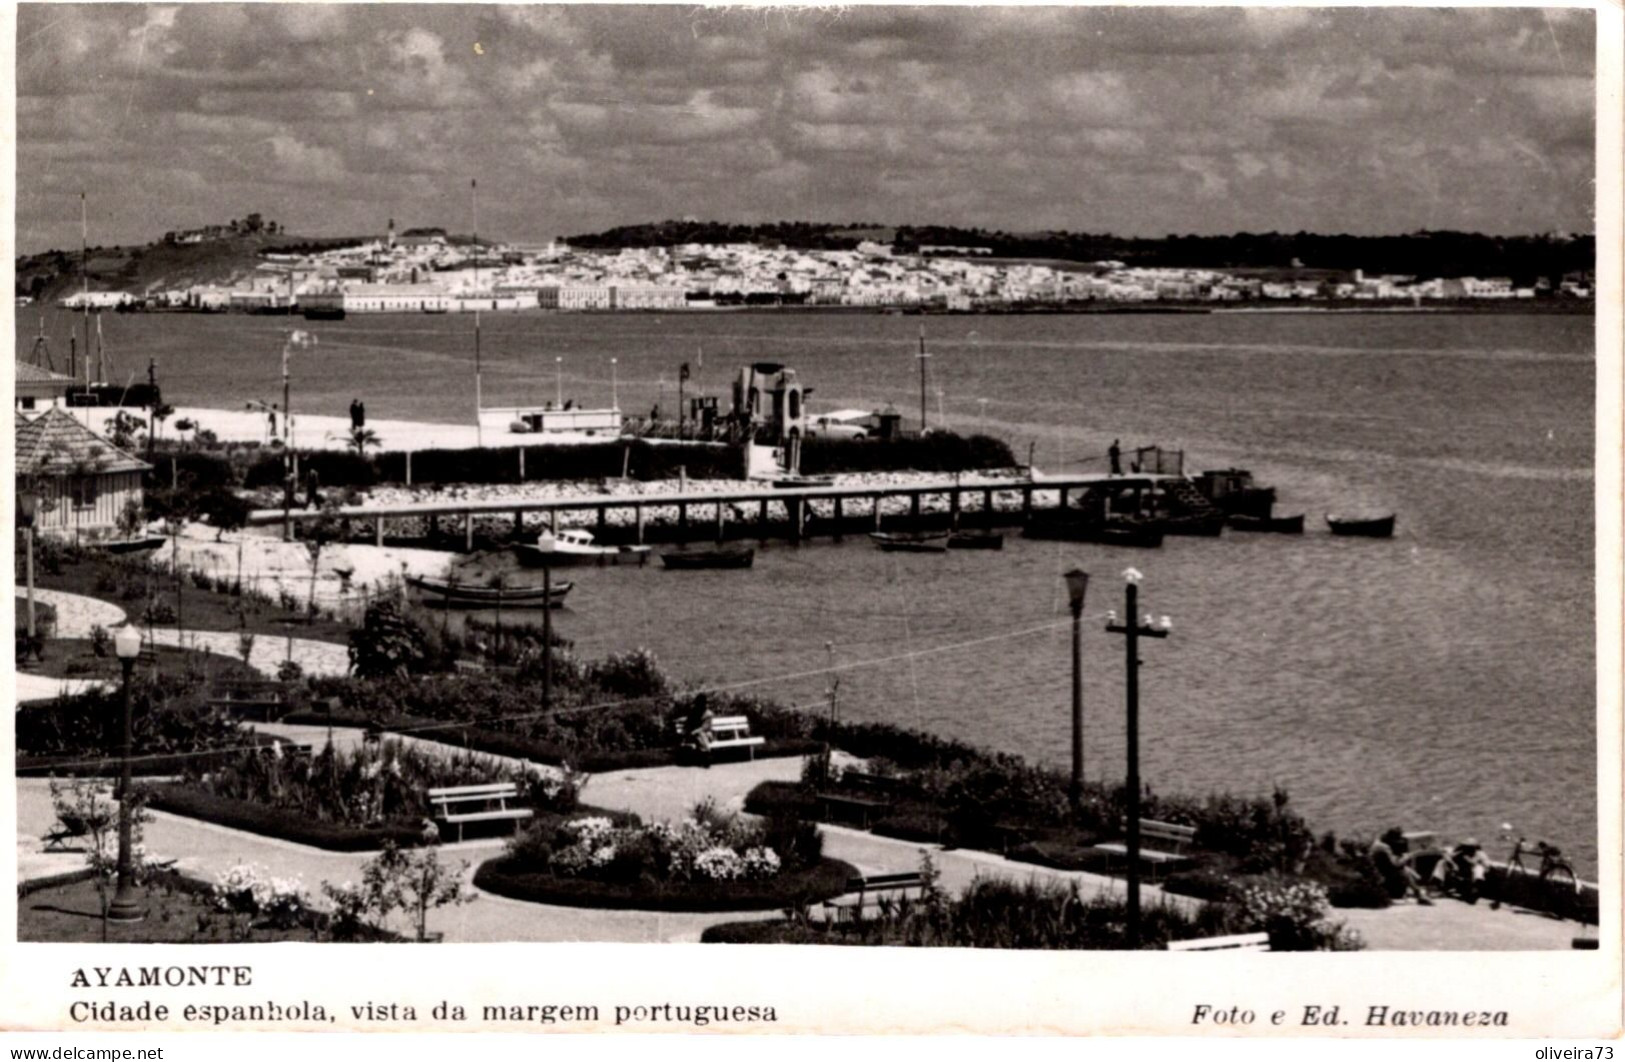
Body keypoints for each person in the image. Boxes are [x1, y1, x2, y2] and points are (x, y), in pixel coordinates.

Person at [1371, 827, 1432, 904]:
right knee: (1403, 871)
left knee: (1406, 870)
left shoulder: (1379, 843)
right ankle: (1419, 893)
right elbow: (1395, 864)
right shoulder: (1384, 847)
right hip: (1381, 873)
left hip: (1378, 870)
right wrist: (1408, 856)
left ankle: (1418, 891)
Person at [1431, 837, 1491, 903]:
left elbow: (1487, 865)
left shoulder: (1480, 854)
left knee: (1479, 868)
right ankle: (1440, 887)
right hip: (1461, 873)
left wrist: (1475, 863)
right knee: (1441, 862)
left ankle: (1474, 890)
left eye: (1470, 847)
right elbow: (1446, 856)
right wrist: (1453, 864)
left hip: (1473, 876)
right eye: (1466, 847)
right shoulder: (1460, 852)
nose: (1468, 849)